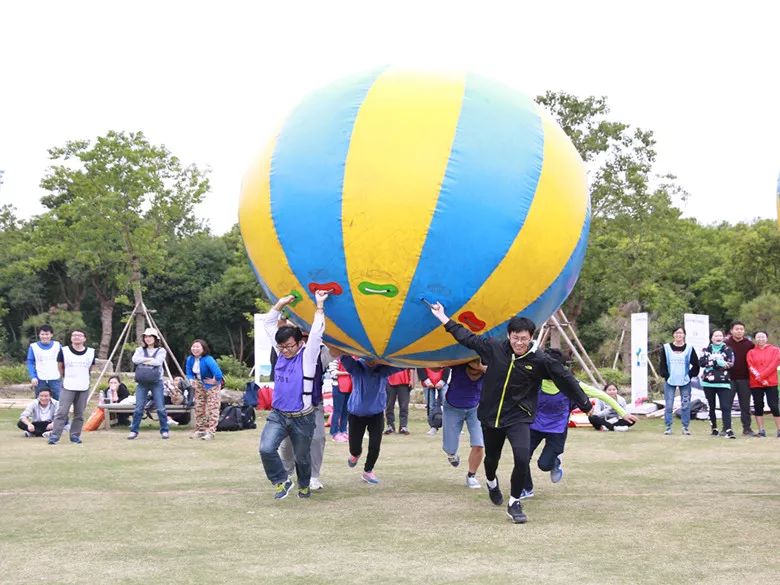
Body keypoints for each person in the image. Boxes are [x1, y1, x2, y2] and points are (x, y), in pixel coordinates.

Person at [429, 303, 592, 524]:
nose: (519, 343)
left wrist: (585, 405)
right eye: (515, 338)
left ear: (531, 337)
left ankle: (514, 502)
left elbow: (565, 378)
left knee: (522, 457)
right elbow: (467, 337)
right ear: (509, 336)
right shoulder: (494, 348)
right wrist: (443, 317)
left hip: (519, 417)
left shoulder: (540, 360)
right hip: (491, 416)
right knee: (491, 461)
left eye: (524, 339)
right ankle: (491, 482)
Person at [258, 291, 329, 500]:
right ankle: (281, 480)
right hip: (278, 415)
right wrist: (279, 304)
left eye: (289, 346)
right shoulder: (280, 352)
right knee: (266, 448)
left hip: (303, 417)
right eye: (281, 346)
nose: (285, 350)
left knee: (302, 457)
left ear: (299, 343)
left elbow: (316, 333)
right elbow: (269, 324)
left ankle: (305, 485)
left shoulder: (308, 357)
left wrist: (320, 306)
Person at [337, 353, 403, 485]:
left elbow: (402, 364)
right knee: (354, 447)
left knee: (375, 445)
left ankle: (368, 471)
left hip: (376, 413)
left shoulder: (383, 368)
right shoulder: (356, 367)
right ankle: (355, 454)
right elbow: (344, 356)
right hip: (356, 413)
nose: (372, 362)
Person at [280, 338, 331, 491]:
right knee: (287, 441)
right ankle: (287, 473)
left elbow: (337, 351)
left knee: (317, 438)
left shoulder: (321, 352)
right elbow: (277, 326)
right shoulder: (286, 350)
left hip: (314, 404)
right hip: (289, 405)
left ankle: (313, 476)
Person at [441, 359, 486, 489]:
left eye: (477, 371)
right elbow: (437, 366)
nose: (474, 372)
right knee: (449, 448)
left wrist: (481, 367)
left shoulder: (488, 369)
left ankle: (471, 476)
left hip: (475, 408)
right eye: (472, 369)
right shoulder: (457, 363)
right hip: (452, 407)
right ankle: (452, 455)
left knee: (478, 444)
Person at [48, 329, 96, 445]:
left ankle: (75, 436)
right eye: (74, 335)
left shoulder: (91, 352)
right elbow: (60, 366)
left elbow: (90, 368)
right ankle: (55, 436)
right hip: (68, 385)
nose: (76, 337)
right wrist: (64, 376)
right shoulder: (64, 351)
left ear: (84, 338)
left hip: (83, 386)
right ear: (71, 338)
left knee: (79, 413)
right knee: (62, 412)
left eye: (79, 335)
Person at [128, 328, 169, 440]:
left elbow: (158, 362)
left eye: (150, 336)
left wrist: (143, 360)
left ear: (155, 338)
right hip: (142, 382)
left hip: (157, 382)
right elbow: (135, 360)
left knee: (160, 408)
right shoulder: (139, 349)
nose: (148, 339)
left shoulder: (161, 350)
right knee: (138, 408)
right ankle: (134, 431)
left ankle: (164, 430)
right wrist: (150, 360)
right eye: (146, 337)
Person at [658, 326, 700, 436]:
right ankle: (668, 427)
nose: (678, 335)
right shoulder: (666, 348)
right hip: (670, 380)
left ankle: (685, 427)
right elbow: (662, 364)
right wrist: (666, 376)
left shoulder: (689, 348)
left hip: (685, 381)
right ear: (673, 335)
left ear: (684, 335)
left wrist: (690, 375)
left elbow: (696, 364)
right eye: (676, 333)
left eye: (681, 333)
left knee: (685, 404)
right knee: (669, 405)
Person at [699, 329, 736, 439]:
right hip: (708, 383)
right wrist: (717, 362)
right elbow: (701, 362)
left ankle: (728, 430)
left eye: (720, 335)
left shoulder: (728, 349)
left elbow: (730, 364)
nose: (718, 337)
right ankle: (714, 428)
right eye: (716, 335)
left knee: (725, 406)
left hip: (724, 383)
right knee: (711, 406)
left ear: (723, 337)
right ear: (711, 338)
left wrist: (712, 362)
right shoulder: (706, 349)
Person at [185, 338, 224, 441]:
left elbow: (219, 374)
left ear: (203, 348)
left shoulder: (208, 359)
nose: (195, 349)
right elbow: (188, 372)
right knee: (199, 407)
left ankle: (211, 431)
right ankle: (200, 430)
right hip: (199, 384)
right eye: (193, 347)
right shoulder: (190, 359)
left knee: (212, 408)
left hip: (211, 385)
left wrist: (214, 381)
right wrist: (191, 380)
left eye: (198, 347)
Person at [725, 321, 757, 436]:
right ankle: (726, 428)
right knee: (726, 405)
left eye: (741, 329)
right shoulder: (725, 343)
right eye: (737, 329)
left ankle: (747, 429)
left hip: (745, 379)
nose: (739, 331)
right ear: (731, 331)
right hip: (729, 379)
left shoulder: (749, 344)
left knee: (745, 405)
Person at [746, 330, 780, 438]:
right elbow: (751, 367)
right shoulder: (751, 352)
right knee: (758, 406)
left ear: (767, 338)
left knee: (774, 406)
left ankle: (779, 429)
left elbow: (774, 364)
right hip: (756, 384)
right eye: (758, 337)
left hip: (771, 383)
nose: (761, 339)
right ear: (755, 339)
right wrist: (760, 379)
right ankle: (761, 430)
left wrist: (763, 377)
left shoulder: (775, 350)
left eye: (763, 337)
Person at [26, 324, 63, 400]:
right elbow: (30, 363)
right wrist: (33, 377)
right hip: (40, 379)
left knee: (58, 401)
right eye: (42, 334)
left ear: (51, 335)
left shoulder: (57, 345)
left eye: (47, 334)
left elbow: (63, 361)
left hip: (55, 378)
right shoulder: (33, 347)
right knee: (40, 401)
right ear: (39, 335)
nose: (45, 336)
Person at [417, 367, 450, 435]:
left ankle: (451, 426)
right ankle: (433, 426)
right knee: (431, 406)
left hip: (442, 382)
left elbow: (447, 365)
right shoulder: (423, 356)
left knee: (447, 404)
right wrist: (426, 381)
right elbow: (420, 366)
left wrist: (443, 381)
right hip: (428, 383)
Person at [328, 357, 350, 442]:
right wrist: (347, 373)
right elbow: (333, 372)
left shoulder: (349, 358)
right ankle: (334, 432)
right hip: (337, 386)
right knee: (337, 411)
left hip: (349, 386)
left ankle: (343, 431)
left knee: (346, 410)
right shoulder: (335, 358)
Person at [385, 368, 413, 435]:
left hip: (404, 381)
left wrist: (411, 380)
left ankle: (403, 426)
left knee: (404, 406)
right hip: (390, 381)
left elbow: (411, 367)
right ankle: (390, 426)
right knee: (389, 405)